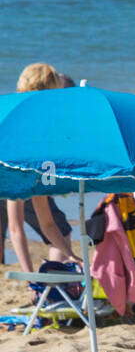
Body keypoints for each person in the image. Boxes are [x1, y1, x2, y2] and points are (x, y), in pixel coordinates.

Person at [5, 64, 80, 274]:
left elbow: (46, 222)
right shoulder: (21, 140)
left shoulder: (37, 139)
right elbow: (16, 226)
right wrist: (30, 278)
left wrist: (72, 255)